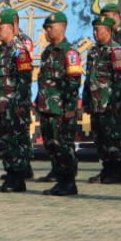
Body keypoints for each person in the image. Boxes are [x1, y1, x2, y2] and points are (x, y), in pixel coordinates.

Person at [36, 12, 83, 196]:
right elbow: (43, 80)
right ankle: (59, 178)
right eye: (46, 28)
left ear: (62, 27)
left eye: (51, 27)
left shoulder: (69, 53)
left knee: (64, 145)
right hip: (48, 107)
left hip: (62, 109)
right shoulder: (48, 52)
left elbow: (73, 82)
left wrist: (70, 108)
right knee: (51, 145)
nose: (47, 31)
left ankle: (69, 182)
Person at [0, 9, 34, 193]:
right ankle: (10, 174)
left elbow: (25, 79)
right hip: (0, 106)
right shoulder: (0, 50)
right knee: (4, 142)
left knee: (16, 141)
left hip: (13, 106)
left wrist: (20, 104)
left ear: (12, 28)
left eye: (1, 28)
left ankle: (18, 179)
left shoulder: (19, 51)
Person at [83, 14, 121, 184]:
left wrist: (116, 103)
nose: (95, 33)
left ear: (109, 31)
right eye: (94, 30)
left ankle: (116, 171)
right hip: (96, 103)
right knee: (100, 138)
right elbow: (89, 79)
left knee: (113, 137)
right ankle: (106, 169)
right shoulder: (93, 52)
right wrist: (86, 100)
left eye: (99, 30)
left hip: (110, 103)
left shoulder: (117, 51)